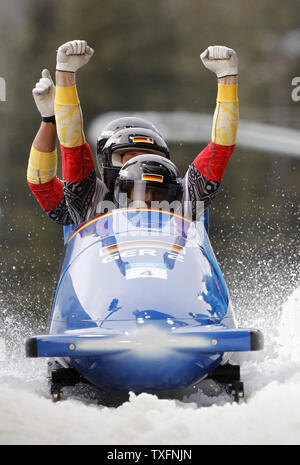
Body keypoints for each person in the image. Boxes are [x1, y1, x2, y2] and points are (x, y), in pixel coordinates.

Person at [27, 40, 239, 228]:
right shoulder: (90, 200)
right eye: (131, 157)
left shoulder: (187, 200)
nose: (147, 204)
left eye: (159, 195)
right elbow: (68, 153)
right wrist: (52, 116)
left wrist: (227, 76)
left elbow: (220, 150)